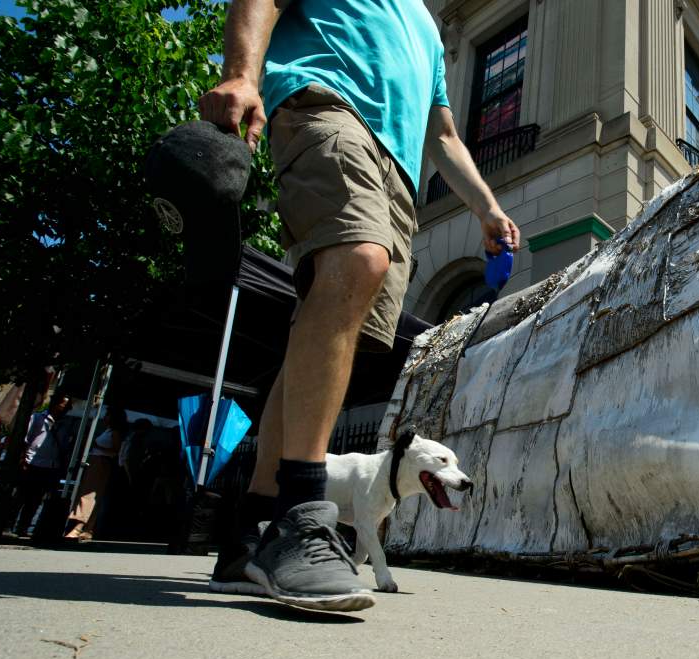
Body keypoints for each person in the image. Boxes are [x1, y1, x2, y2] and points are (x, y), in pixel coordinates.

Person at [198, 0, 520, 612]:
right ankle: (300, 517)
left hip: (398, 174)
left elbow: (443, 133)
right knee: (361, 257)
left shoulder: (428, 29)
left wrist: (486, 207)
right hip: (324, 105)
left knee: (320, 341)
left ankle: (253, 533)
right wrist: (242, 72)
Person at [11, 391, 73, 538]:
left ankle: (24, 527)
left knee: (36, 500)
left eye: (68, 406)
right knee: (21, 497)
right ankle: (10, 525)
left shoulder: (65, 424)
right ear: (55, 404)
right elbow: (25, 439)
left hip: (51, 466)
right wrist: (23, 460)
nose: (66, 408)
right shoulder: (38, 418)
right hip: (33, 463)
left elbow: (64, 446)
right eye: (64, 405)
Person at [65, 407, 128, 542]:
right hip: (96, 461)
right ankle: (87, 528)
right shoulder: (108, 430)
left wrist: (97, 447)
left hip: (102, 463)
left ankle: (79, 526)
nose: (105, 417)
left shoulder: (115, 432)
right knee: (89, 494)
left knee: (90, 494)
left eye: (108, 415)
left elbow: (116, 451)